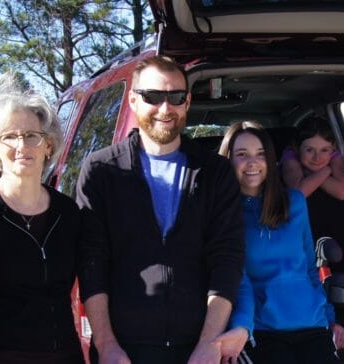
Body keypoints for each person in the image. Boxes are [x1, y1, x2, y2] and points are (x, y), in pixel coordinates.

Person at [75, 55, 245, 364]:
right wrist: (106, 344)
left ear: (188, 101)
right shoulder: (101, 170)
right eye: (153, 97)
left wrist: (208, 344)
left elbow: (227, 259)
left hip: (198, 349)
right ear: (133, 100)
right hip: (124, 351)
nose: (165, 109)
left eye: (176, 97)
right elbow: (91, 262)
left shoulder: (215, 172)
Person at [0, 74, 84, 363]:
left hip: (62, 355)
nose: (21, 145)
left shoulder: (67, 213)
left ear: (48, 145)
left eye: (32, 135)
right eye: (9, 136)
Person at [213, 122, 344, 364]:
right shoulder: (223, 214)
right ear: (228, 160)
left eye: (260, 154)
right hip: (261, 330)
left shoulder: (295, 201)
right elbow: (234, 280)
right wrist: (241, 327)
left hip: (312, 324)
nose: (252, 163)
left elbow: (309, 266)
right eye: (242, 155)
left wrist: (329, 317)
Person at [281, 116, 344, 200]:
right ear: (297, 148)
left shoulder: (333, 154)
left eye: (324, 150)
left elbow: (342, 193)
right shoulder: (290, 155)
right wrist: (326, 170)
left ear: (333, 148)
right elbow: (298, 193)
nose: (317, 158)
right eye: (309, 150)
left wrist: (309, 172)